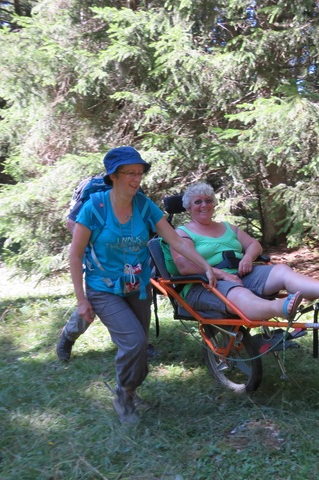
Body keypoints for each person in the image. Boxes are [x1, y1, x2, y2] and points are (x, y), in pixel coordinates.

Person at [69, 146, 217, 423]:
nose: (136, 179)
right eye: (130, 173)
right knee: (134, 342)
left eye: (139, 173)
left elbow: (174, 240)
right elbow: (75, 255)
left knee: (139, 346)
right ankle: (123, 396)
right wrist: (81, 299)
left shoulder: (144, 205)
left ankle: (131, 389)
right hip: (103, 288)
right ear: (113, 176)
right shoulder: (95, 207)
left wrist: (206, 266)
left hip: (137, 287)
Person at [162, 181, 319, 322]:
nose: (204, 205)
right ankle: (280, 307)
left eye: (208, 200)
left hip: (240, 273)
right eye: (198, 202)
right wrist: (222, 274)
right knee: (237, 292)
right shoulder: (182, 232)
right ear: (189, 207)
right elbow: (184, 265)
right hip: (204, 283)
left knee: (281, 271)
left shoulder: (227, 227)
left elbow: (254, 245)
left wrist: (248, 257)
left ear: (214, 204)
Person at [57, 176, 157, 361]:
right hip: (101, 264)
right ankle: (68, 336)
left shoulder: (136, 192)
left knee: (138, 303)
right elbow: (72, 222)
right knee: (89, 306)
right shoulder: (94, 193)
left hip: (129, 266)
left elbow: (146, 222)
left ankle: (139, 343)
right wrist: (93, 243)